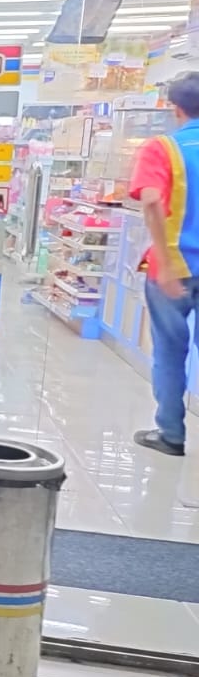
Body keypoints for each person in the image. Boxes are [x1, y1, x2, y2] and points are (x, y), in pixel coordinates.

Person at [128, 70, 199, 457]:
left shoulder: (163, 148)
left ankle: (171, 434)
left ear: (176, 109)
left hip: (173, 269)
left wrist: (168, 262)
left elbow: (152, 198)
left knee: (171, 352)